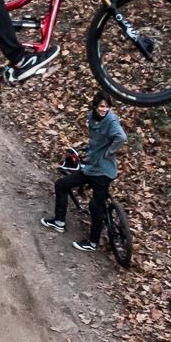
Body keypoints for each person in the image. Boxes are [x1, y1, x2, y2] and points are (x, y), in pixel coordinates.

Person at [44, 94, 126, 250]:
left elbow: (121, 137)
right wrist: (87, 150)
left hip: (103, 172)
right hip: (91, 167)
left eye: (107, 106)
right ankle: (59, 221)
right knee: (62, 184)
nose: (104, 110)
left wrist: (109, 152)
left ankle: (93, 242)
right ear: (95, 106)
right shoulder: (92, 118)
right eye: (101, 106)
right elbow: (95, 140)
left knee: (95, 205)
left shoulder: (111, 121)